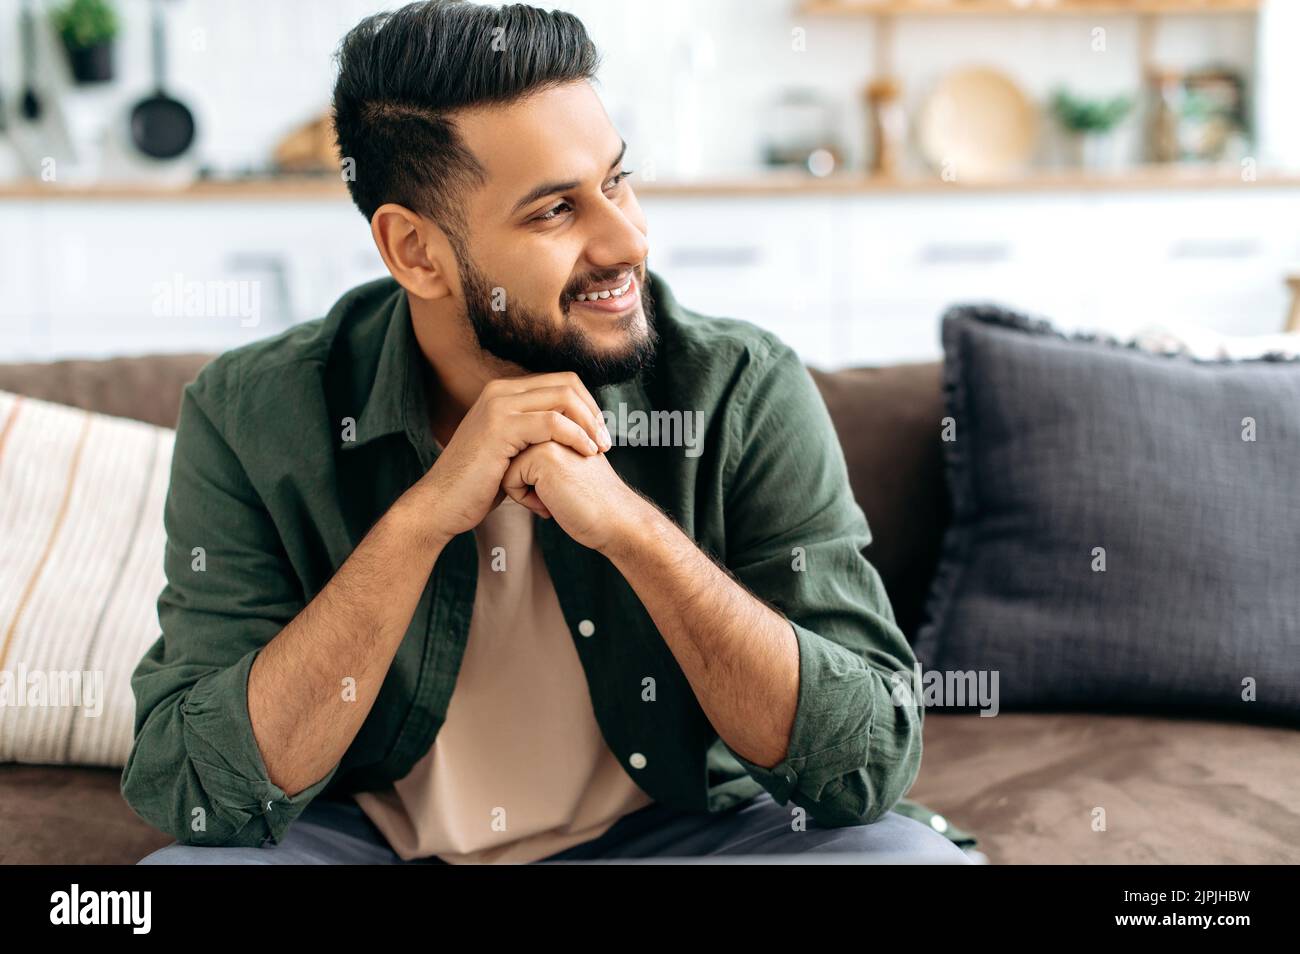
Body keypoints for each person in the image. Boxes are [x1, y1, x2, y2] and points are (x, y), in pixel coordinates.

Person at [125, 0, 971, 865]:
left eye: (616, 180)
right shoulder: (250, 413)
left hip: (678, 838)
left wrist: (633, 531)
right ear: (415, 252)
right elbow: (196, 790)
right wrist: (420, 522)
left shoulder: (739, 385)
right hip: (368, 845)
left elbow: (866, 768)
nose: (627, 238)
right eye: (555, 212)